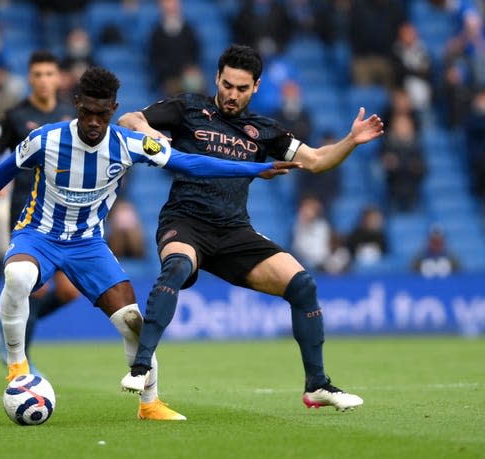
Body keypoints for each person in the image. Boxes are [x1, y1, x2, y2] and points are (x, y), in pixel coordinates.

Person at [0, 66, 299, 421]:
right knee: (19, 276)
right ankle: (16, 364)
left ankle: (149, 404)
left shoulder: (129, 144)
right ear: (76, 105)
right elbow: (4, 168)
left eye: (102, 115)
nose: (94, 122)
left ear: (114, 110)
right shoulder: (46, 138)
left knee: (131, 320)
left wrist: (254, 169)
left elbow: (189, 163)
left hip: (88, 245)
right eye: (87, 113)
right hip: (38, 235)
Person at [117, 44, 384, 412]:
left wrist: (351, 140)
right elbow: (128, 119)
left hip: (233, 232)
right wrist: (151, 132)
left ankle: (317, 385)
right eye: (227, 85)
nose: (232, 94)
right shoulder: (188, 108)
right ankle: (141, 366)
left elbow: (318, 161)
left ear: (256, 87)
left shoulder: (264, 131)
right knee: (177, 266)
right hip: (185, 221)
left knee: (302, 284)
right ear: (217, 78)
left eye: (242, 88)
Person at [0, 50, 79, 372]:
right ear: (30, 78)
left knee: (68, 291)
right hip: (28, 211)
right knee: (37, 288)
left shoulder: (71, 113)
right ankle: (21, 359)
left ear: (58, 78)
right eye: (38, 75)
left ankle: (9, 323)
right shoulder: (16, 116)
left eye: (50, 74)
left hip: (65, 211)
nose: (45, 80)